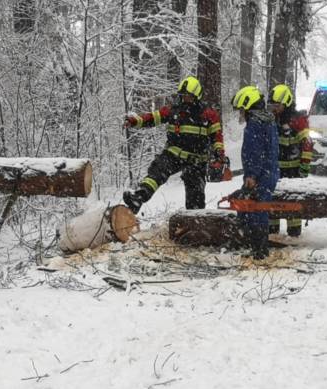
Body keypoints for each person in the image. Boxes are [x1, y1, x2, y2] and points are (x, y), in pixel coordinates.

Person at [122, 76, 225, 213]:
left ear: (196, 96)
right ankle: (139, 198)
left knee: (195, 199)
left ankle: (195, 223)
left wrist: (219, 156)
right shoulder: (173, 110)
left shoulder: (209, 115)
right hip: (173, 154)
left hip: (196, 161)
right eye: (183, 96)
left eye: (188, 96)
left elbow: (217, 138)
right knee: (157, 171)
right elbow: (153, 118)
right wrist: (135, 121)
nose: (185, 99)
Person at [230, 85, 279, 259]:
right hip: (268, 173)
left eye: (242, 110)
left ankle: (259, 250)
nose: (241, 114)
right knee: (251, 206)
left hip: (260, 175)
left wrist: (251, 175)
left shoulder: (255, 125)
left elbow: (254, 152)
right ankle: (254, 244)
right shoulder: (268, 120)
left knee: (256, 209)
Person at [267, 84, 313, 237]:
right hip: (274, 171)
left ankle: (294, 232)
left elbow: (307, 144)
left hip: (293, 171)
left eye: (277, 105)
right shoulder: (271, 119)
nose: (274, 108)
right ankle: (272, 230)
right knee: (272, 201)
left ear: (286, 103)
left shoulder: (298, 120)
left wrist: (304, 166)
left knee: (292, 202)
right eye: (272, 105)